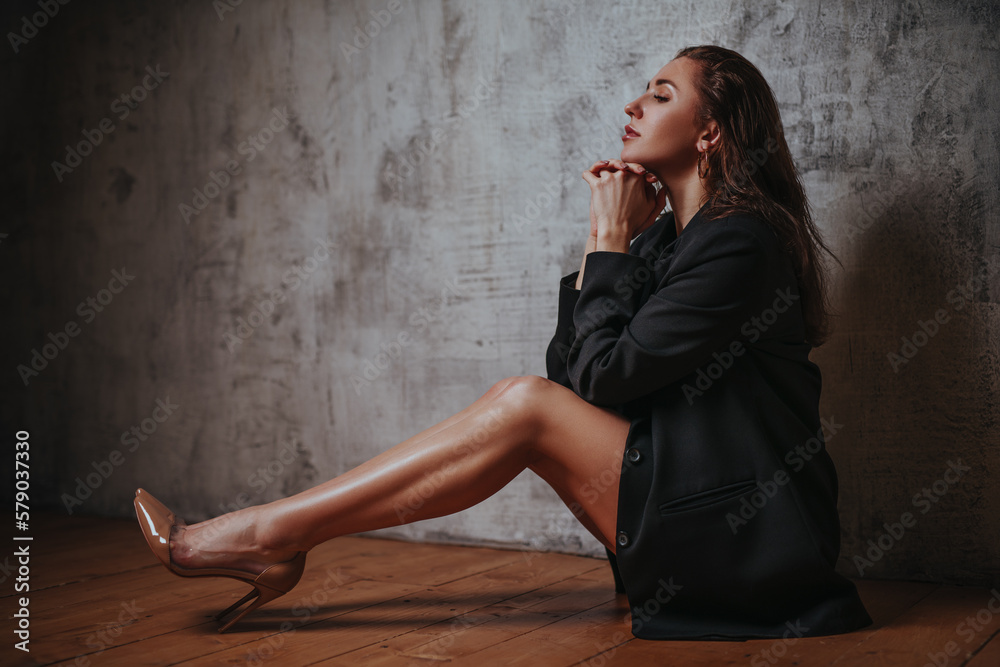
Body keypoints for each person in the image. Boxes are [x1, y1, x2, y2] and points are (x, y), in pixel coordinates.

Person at [134, 44, 872, 639]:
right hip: (686, 504)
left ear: (710, 132)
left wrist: (611, 239)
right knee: (527, 403)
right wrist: (605, 240)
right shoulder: (672, 244)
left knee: (523, 406)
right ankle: (274, 537)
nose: (632, 104)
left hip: (753, 535)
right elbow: (578, 378)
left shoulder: (742, 243)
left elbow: (602, 378)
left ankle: (269, 534)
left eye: (661, 93)